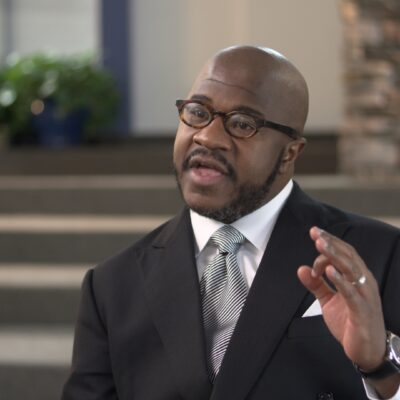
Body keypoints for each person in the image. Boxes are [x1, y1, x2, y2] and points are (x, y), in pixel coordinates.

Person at [62, 45, 400, 400]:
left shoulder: (377, 257)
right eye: (197, 112)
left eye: (242, 123)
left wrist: (379, 368)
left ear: (289, 153)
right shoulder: (112, 286)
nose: (207, 136)